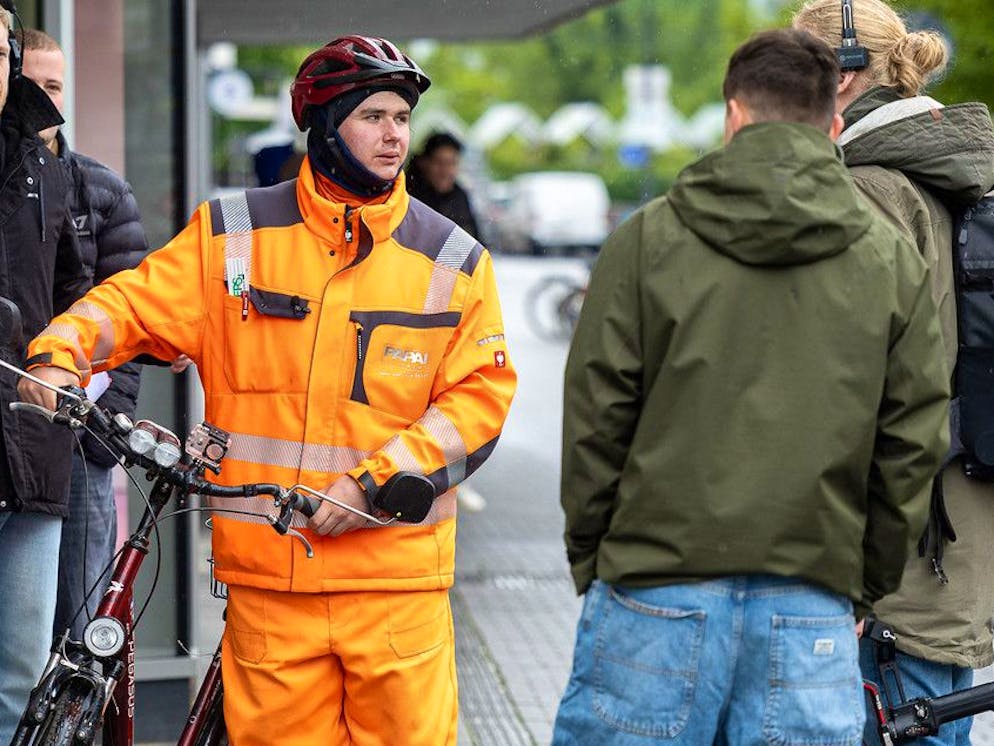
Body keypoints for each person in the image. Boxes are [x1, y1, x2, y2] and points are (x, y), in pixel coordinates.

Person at [18, 34, 516, 746]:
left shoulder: (453, 259)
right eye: (374, 116)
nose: (395, 136)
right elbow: (130, 303)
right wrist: (57, 353)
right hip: (271, 592)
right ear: (326, 125)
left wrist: (373, 485)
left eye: (402, 118)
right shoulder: (233, 237)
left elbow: (479, 398)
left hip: (395, 589)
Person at [552, 28, 950, 745]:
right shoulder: (888, 259)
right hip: (811, 597)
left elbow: (595, 419)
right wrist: (863, 582)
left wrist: (597, 558)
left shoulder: (647, 240)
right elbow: (913, 440)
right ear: (834, 125)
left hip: (653, 583)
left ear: (733, 115)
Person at [793, 2, 994, 744]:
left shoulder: (867, 191)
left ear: (841, 76)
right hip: (956, 539)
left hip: (892, 563)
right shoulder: (959, 174)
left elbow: (850, 395)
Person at [21, 27, 150, 643]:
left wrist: (101, 435)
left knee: (80, 623)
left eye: (54, 87)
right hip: (12, 422)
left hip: (80, 438)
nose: (42, 100)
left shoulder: (101, 189)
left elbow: (133, 316)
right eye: (29, 85)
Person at [0, 14, 90, 744]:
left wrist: (64, 369)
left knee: (23, 673)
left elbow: (74, 298)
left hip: (35, 449)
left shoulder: (48, 168)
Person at [407, 131, 481, 239]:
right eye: (439, 162)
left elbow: (474, 238)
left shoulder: (460, 196)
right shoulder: (409, 197)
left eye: (451, 163)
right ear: (423, 163)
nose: (445, 171)